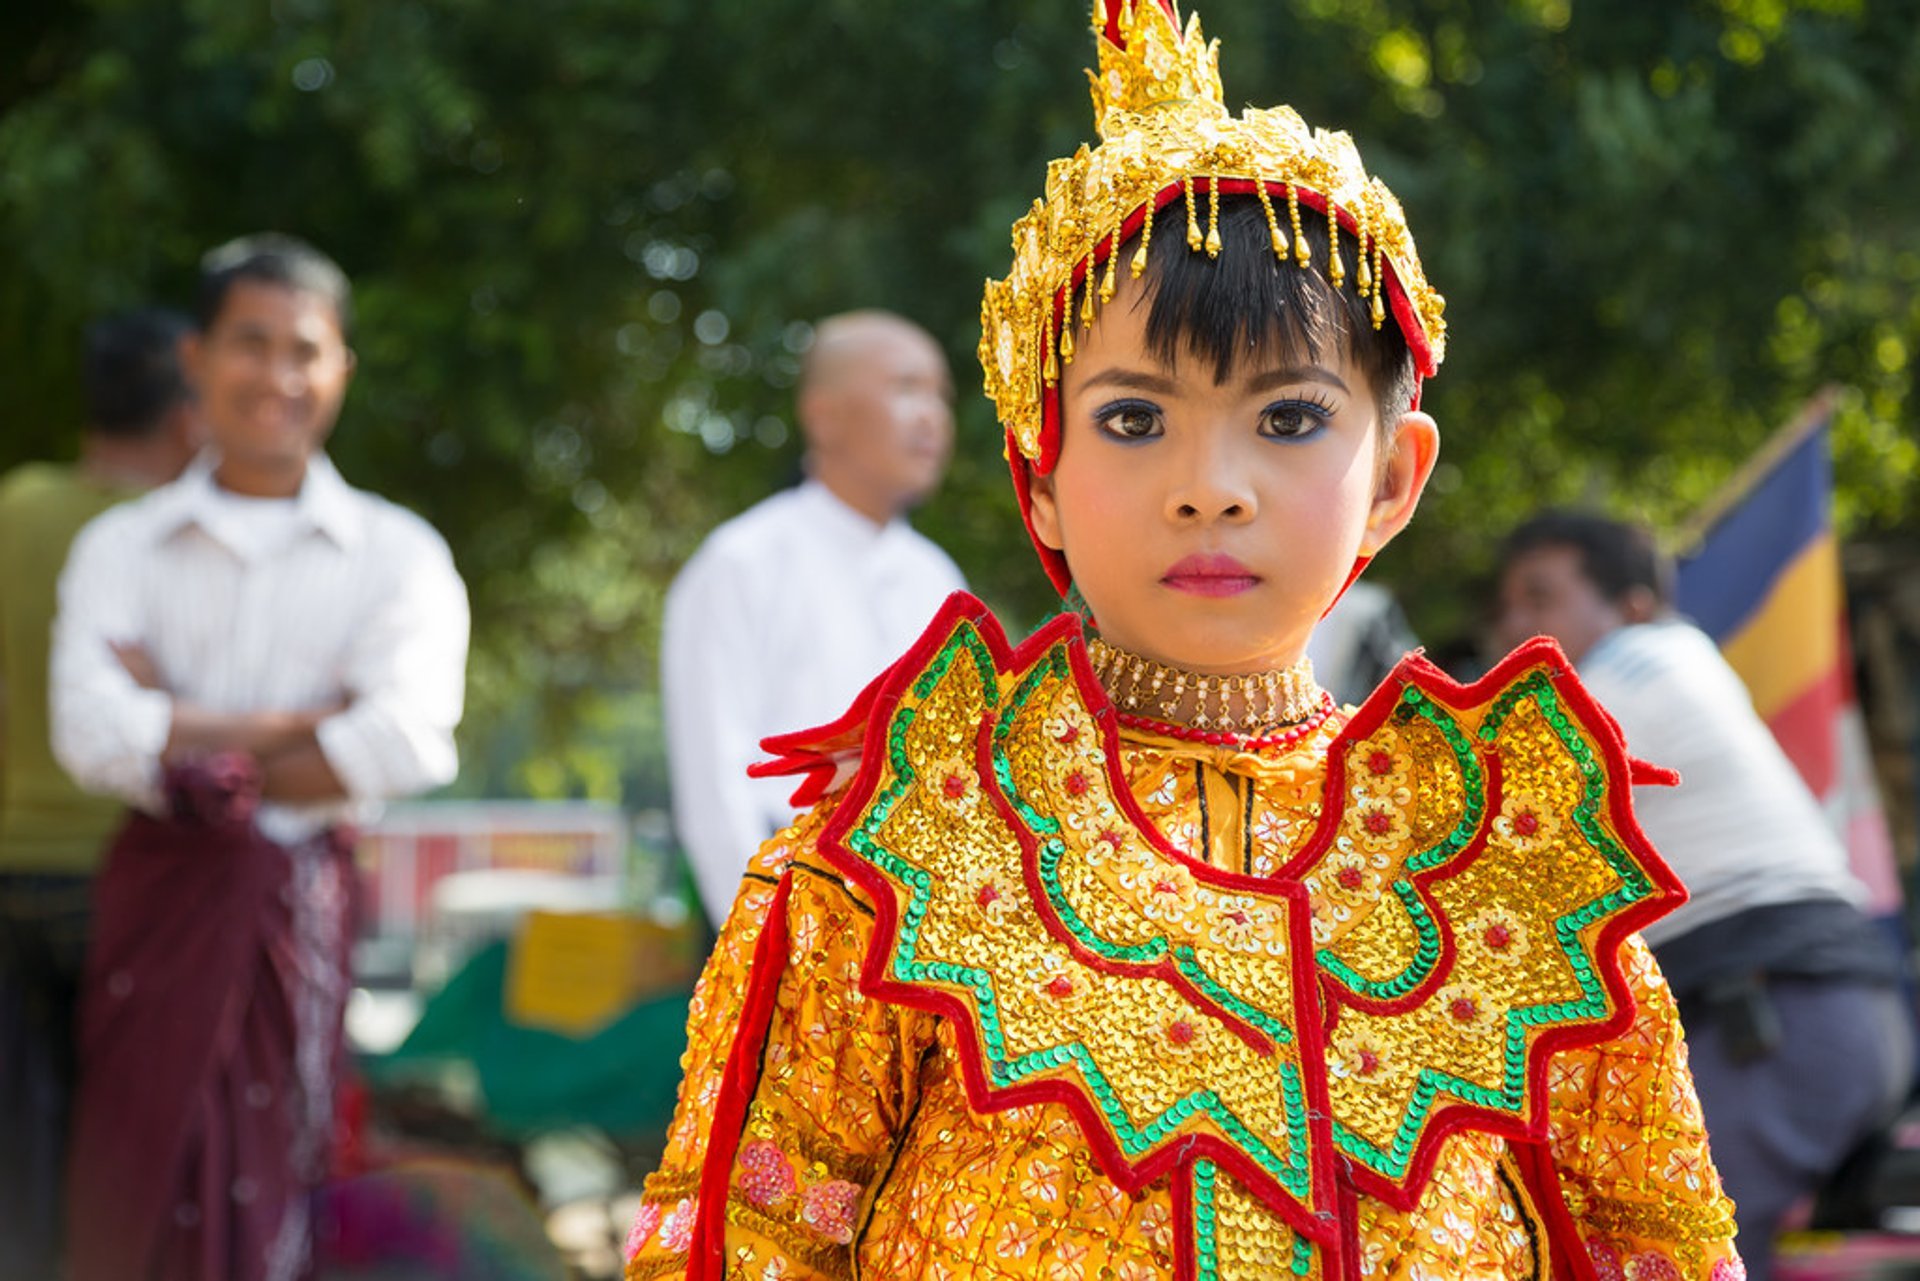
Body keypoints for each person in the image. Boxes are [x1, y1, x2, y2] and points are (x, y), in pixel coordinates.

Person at [622, 3, 1742, 1277]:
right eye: (1135, 423)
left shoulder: (1518, 877)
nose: (1211, 487)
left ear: (1395, 477)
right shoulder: (881, 870)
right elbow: (742, 1244)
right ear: (1037, 477)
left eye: (1291, 419)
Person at [51, 233, 471, 1281]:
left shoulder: (398, 554)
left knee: (282, 1190)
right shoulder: (122, 547)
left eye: (306, 350)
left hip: (301, 917)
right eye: (251, 343)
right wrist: (305, 725)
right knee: (132, 1189)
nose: (278, 376)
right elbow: (90, 735)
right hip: (157, 911)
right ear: (195, 359)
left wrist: (181, 723)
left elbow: (409, 736)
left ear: (341, 372)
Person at [1494, 508, 1912, 1280]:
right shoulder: (1674, 669)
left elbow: (1478, 804)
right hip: (1811, 1014)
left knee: (1658, 1252)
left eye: (1540, 597)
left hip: (1777, 1018)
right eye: (1510, 606)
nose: (1515, 626)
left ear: (1631, 605)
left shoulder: (1644, 664)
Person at [0, 308, 200, 1281]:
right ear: (187, 410)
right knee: (121, 1153)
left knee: (20, 1148)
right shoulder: (166, 540)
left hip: (11, 867)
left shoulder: (15, 510)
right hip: (132, 882)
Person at [660, 309, 964, 925]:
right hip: (786, 912)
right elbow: (717, 784)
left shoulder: (939, 581)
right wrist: (761, 953)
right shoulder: (742, 563)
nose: (932, 416)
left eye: (941, 395)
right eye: (906, 388)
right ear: (823, 415)